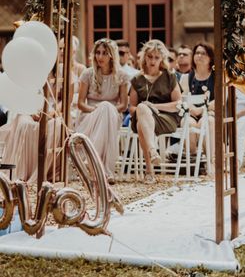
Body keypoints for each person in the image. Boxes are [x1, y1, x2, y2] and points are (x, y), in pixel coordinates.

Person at [129, 40, 181, 183]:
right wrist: (144, 109)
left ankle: (149, 170)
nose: (152, 61)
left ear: (162, 59)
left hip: (166, 118)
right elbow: (131, 107)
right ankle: (153, 150)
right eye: (150, 56)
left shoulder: (169, 77)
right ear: (144, 57)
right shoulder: (137, 79)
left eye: (156, 57)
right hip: (142, 117)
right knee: (141, 110)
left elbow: (178, 104)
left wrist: (154, 107)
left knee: (142, 119)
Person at [76, 39, 128, 183]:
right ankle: (104, 170)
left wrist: (107, 109)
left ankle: (94, 163)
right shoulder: (87, 74)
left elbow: (123, 105)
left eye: (104, 53)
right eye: (98, 53)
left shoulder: (121, 75)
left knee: (106, 109)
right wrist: (97, 110)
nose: (100, 57)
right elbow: (80, 104)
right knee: (104, 110)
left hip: (113, 115)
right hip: (89, 115)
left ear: (112, 55)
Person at [176, 42, 216, 158]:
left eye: (203, 53)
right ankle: (192, 158)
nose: (199, 56)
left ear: (210, 57)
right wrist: (193, 109)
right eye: (197, 53)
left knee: (207, 122)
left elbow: (220, 100)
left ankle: (210, 159)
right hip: (192, 112)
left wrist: (203, 109)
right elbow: (182, 99)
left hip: (210, 113)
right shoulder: (187, 77)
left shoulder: (217, 76)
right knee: (186, 122)